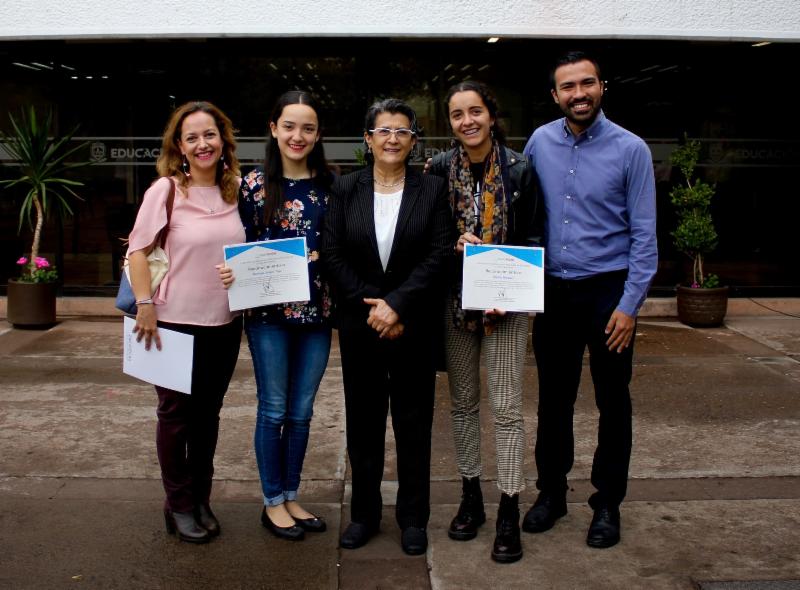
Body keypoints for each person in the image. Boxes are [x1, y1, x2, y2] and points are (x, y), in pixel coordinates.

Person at [522, 51, 658, 548]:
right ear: (555, 95)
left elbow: (645, 236)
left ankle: (607, 505)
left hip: (608, 294)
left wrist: (629, 306)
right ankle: (551, 495)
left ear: (602, 86)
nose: (578, 94)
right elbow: (523, 214)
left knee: (612, 402)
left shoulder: (631, 150)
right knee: (553, 402)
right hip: (554, 293)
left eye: (587, 84)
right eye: (567, 87)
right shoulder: (538, 142)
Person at [322, 98, 452, 556]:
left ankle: (413, 518)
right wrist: (374, 309)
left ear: (414, 140)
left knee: (414, 425)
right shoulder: (346, 189)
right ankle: (364, 515)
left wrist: (396, 306)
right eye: (384, 131)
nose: (392, 138)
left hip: (413, 326)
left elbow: (438, 255)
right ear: (368, 139)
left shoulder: (432, 190)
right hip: (362, 327)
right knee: (364, 423)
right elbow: (333, 254)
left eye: (402, 131)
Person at [427, 81, 543, 563]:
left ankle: (509, 507)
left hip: (508, 307)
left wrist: (508, 293)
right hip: (456, 304)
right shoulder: (436, 170)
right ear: (449, 123)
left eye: (475, 111)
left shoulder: (520, 169)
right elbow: (429, 237)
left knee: (508, 408)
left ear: (491, 116)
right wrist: (453, 244)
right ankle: (471, 494)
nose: (467, 121)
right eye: (457, 115)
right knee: (462, 405)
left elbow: (536, 235)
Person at [218, 90, 333, 541]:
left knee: (302, 411)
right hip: (267, 316)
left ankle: (290, 493)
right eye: (289, 126)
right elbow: (233, 240)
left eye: (307, 127)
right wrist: (231, 271)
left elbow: (342, 245)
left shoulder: (331, 184)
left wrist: (325, 255)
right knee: (273, 409)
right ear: (273, 128)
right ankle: (271, 502)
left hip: (317, 316)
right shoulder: (251, 186)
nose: (297, 136)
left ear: (318, 133)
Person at [128, 101, 244, 543]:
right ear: (179, 146)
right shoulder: (166, 190)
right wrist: (145, 304)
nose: (202, 144)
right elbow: (138, 250)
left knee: (208, 417)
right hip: (172, 323)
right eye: (192, 137)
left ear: (222, 140)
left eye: (209, 135)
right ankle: (178, 504)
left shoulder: (235, 189)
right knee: (175, 417)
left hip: (225, 321)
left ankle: (200, 497)